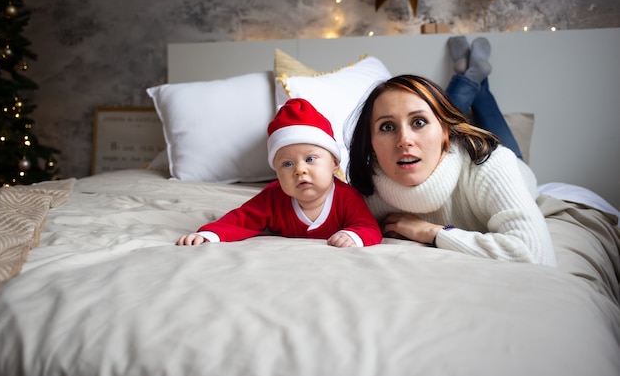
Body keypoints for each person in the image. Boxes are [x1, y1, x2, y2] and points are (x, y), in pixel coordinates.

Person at [345, 71, 557, 266]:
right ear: (370, 142)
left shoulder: (493, 164)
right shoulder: (366, 190)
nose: (404, 140)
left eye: (419, 122)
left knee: (503, 141)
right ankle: (473, 78)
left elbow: (536, 256)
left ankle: (477, 82)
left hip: (507, 164)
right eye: (387, 127)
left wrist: (433, 232)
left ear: (446, 133)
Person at [177, 98, 382, 248]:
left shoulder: (346, 198)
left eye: (310, 159)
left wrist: (354, 235)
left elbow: (369, 227)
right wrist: (210, 234)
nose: (299, 170)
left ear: (334, 164)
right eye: (287, 164)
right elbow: (242, 219)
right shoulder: (273, 198)